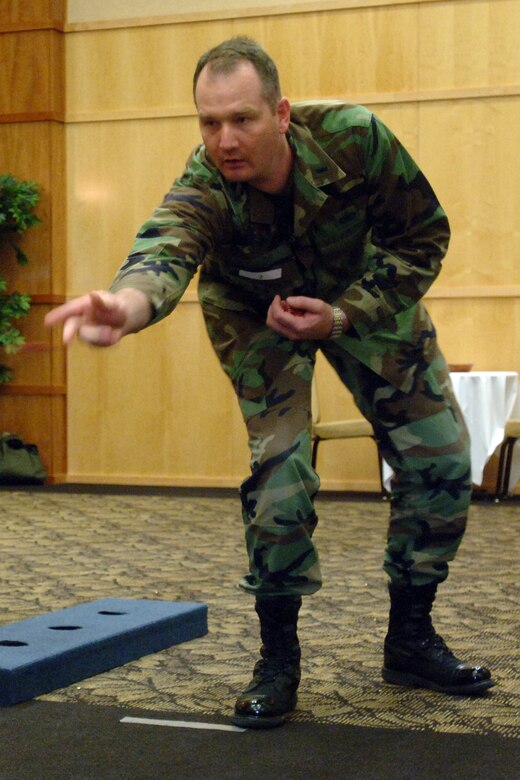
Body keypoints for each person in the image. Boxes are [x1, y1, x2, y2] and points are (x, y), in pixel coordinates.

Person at [45, 36, 494, 729]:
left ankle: (411, 638)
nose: (225, 139)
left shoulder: (354, 139)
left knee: (439, 456)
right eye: (209, 122)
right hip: (256, 316)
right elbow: (166, 247)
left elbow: (422, 237)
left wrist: (347, 315)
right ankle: (277, 658)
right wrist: (125, 307)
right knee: (281, 474)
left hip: (364, 299)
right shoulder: (207, 180)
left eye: (243, 119)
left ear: (281, 113)